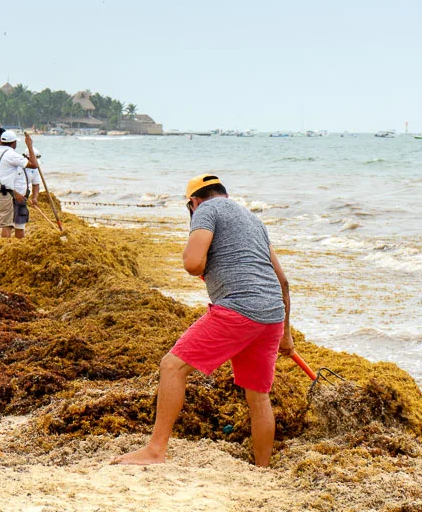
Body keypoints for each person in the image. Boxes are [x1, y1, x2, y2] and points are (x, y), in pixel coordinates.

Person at [112, 174, 293, 468]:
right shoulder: (252, 220)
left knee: (172, 366)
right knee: (258, 398)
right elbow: (282, 281)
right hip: (272, 315)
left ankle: (155, 451)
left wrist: (200, 256)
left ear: (193, 203)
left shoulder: (207, 210)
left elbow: (192, 263)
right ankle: (263, 468)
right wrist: (286, 334)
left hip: (238, 309)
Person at [0, 130, 38, 240]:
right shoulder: (11, 155)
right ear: (13, 143)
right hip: (3, 193)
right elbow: (34, 164)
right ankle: (4, 251)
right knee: (6, 225)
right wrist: (30, 146)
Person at [11, 147, 42, 238]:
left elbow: (36, 184)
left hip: (23, 199)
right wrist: (16, 194)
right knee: (7, 225)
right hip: (10, 198)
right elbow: (6, 183)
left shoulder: (35, 168)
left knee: (20, 225)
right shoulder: (16, 166)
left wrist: (34, 197)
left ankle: (19, 245)